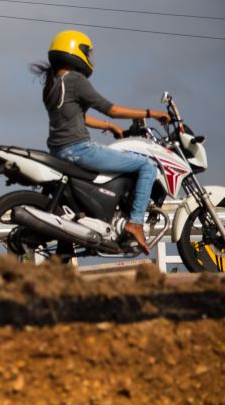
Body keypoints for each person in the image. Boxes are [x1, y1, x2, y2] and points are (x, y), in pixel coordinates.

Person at [30, 30, 170, 254]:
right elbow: (112, 110)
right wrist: (150, 113)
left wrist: (108, 127)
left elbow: (77, 116)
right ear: (76, 52)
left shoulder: (53, 84)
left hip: (59, 151)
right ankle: (135, 222)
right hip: (79, 149)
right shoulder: (75, 80)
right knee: (146, 165)